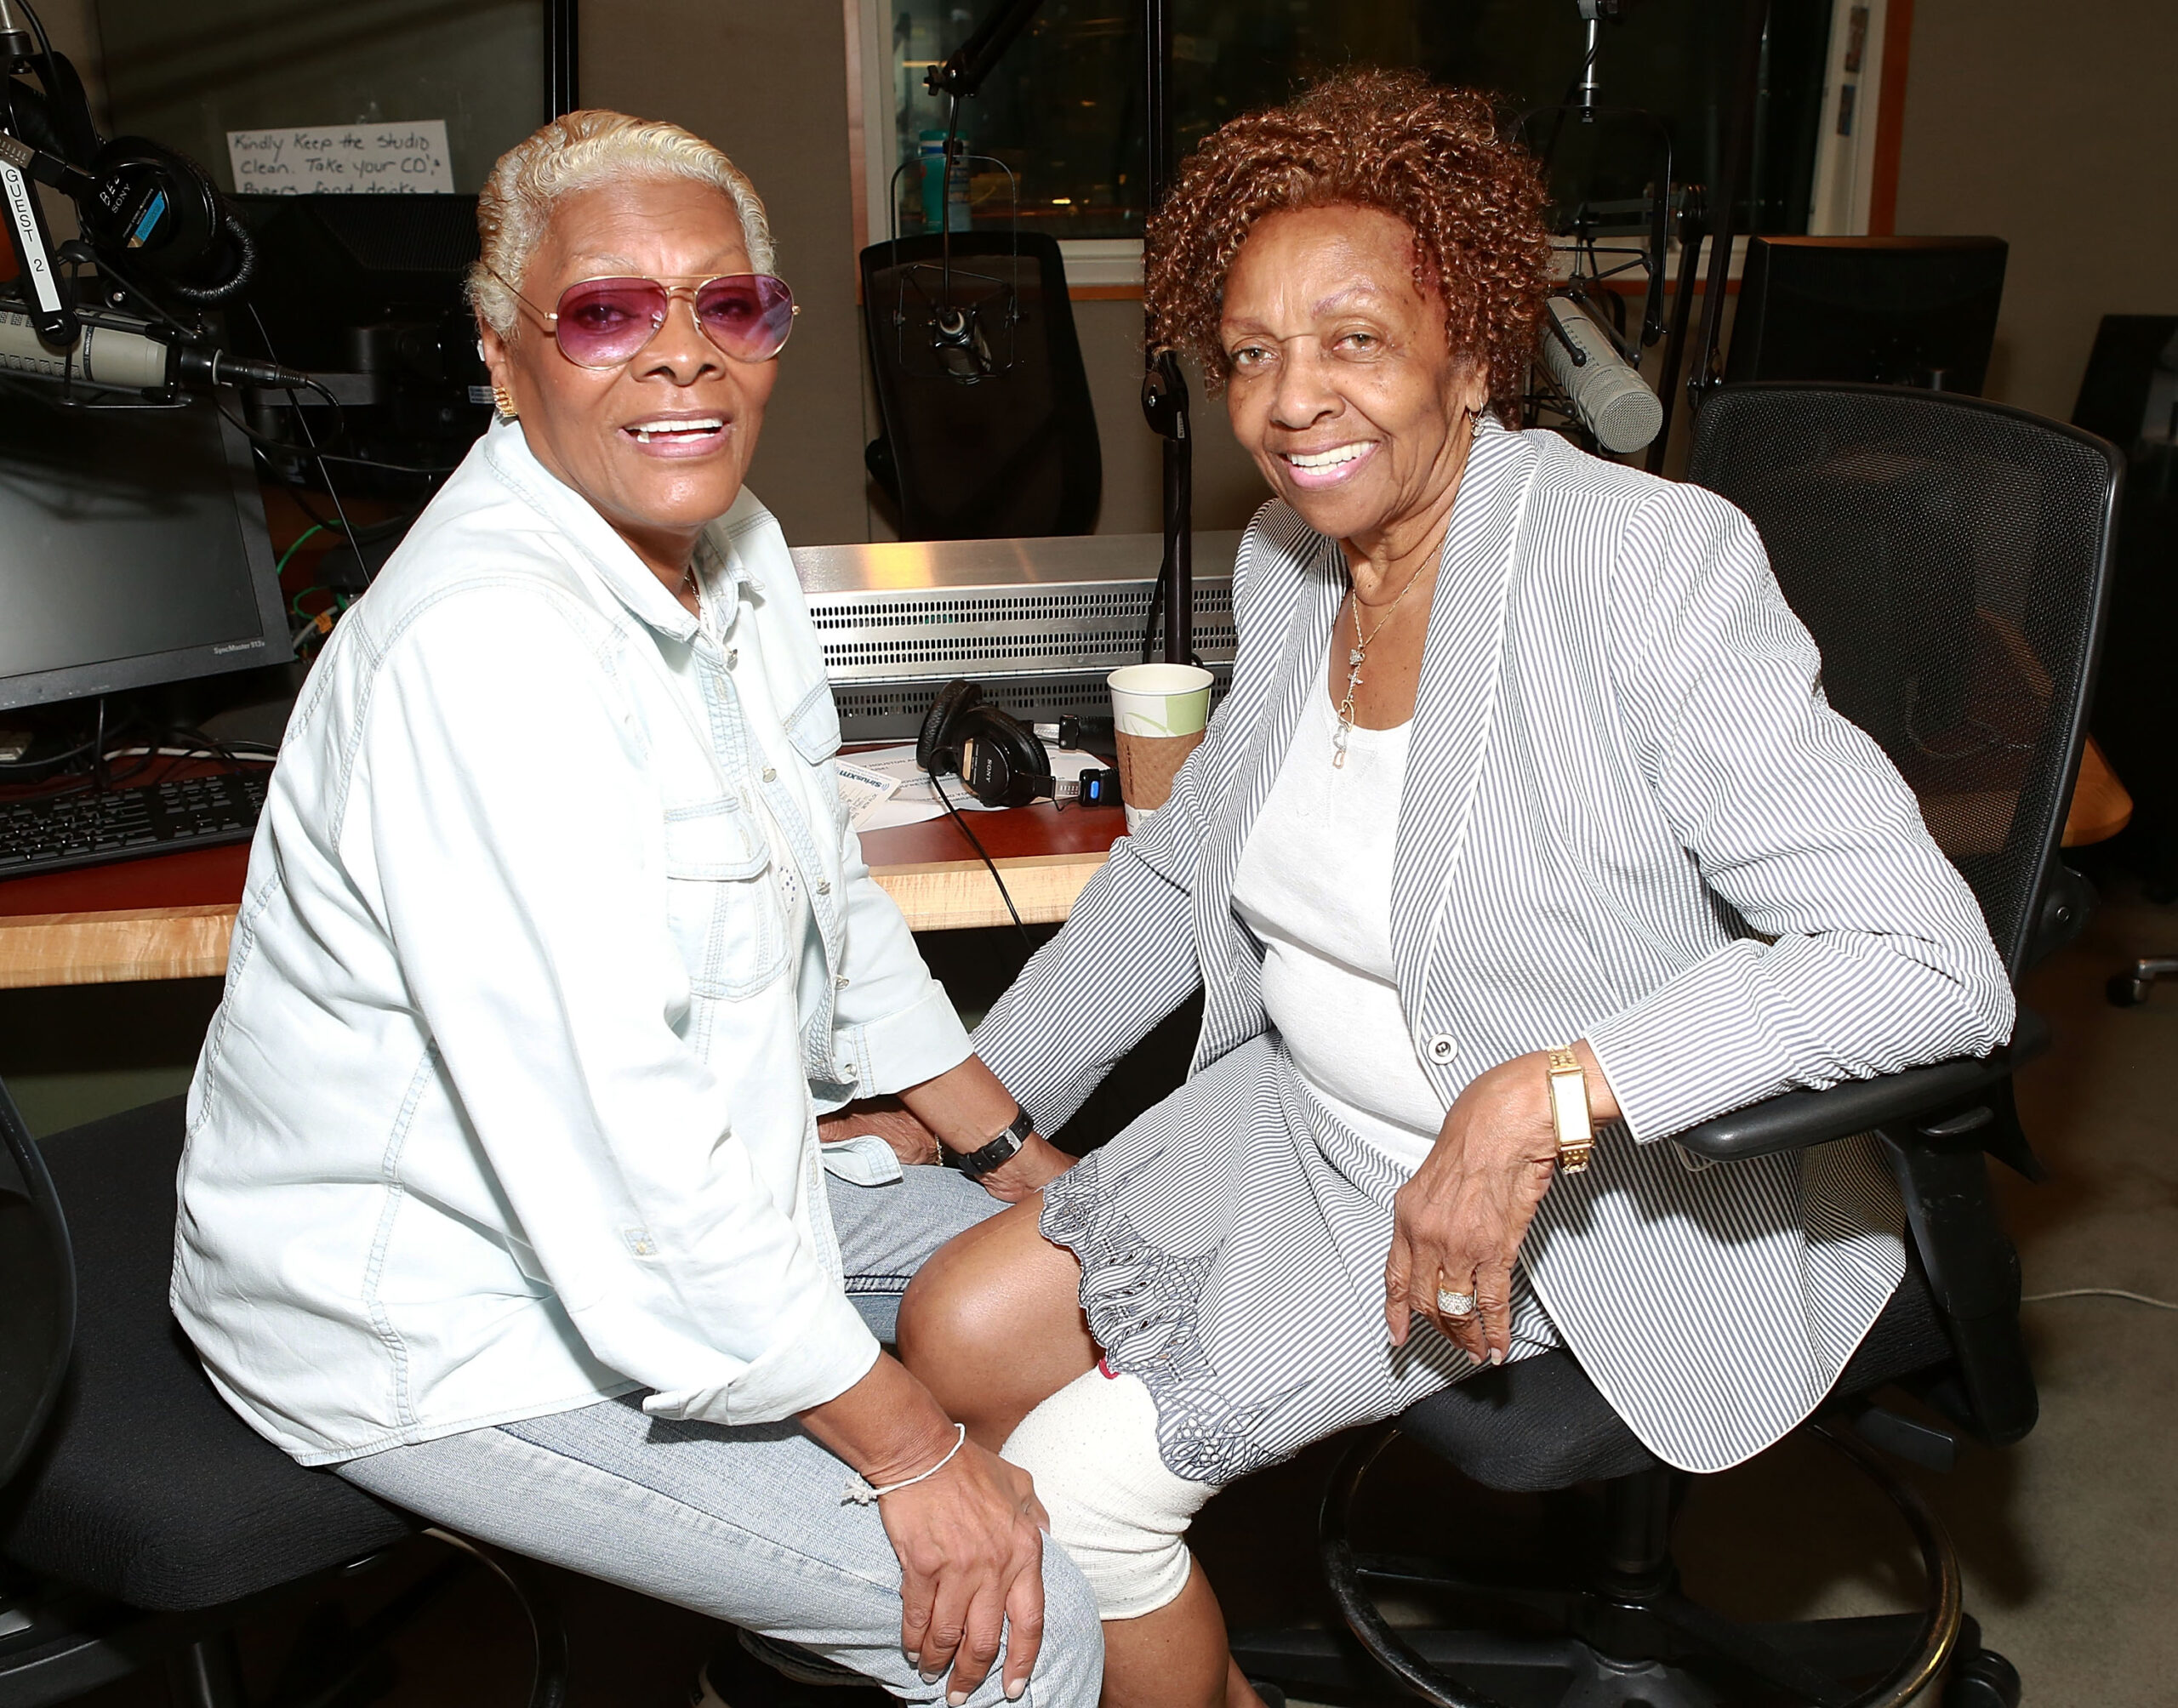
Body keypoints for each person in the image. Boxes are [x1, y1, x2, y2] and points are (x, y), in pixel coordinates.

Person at [892, 70, 2014, 1708]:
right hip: (1303, 1117)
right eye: (1254, 352)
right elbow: (1181, 873)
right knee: (955, 1329)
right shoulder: (1291, 568)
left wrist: (1544, 1096)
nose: (1291, 401)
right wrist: (967, 1102)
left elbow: (1931, 964)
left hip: (1581, 1200)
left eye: (1354, 338)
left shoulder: (1645, 564)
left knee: (1075, 1501)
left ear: (1475, 356)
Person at [172, 110, 1088, 1708]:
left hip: (675, 1193)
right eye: (607, 312)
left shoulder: (732, 550)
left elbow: (829, 906)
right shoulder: (490, 654)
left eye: (727, 306)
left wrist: (1017, 1161)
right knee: (1032, 1625)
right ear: (503, 353)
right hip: (442, 1313)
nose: (683, 358)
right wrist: (909, 1452)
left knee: (1086, 1287)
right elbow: (619, 1154)